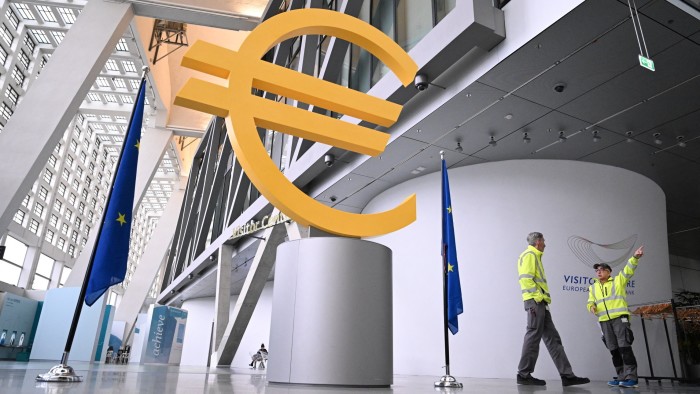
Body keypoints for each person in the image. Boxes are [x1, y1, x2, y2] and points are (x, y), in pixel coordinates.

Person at [517, 232, 590, 387]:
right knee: (533, 336)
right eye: (543, 240)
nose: (545, 243)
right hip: (535, 303)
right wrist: (537, 297)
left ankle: (567, 376)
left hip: (541, 304)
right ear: (537, 242)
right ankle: (523, 374)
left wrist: (542, 300)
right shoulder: (530, 254)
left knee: (553, 339)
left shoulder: (535, 255)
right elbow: (525, 278)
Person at [588, 245, 644, 388]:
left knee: (624, 347)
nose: (598, 272)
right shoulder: (593, 287)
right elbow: (590, 301)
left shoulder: (618, 281)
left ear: (609, 272)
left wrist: (635, 257)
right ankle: (621, 377)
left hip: (620, 318)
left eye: (601, 269)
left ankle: (632, 378)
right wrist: (591, 306)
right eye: (597, 270)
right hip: (604, 321)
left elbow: (628, 269)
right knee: (614, 350)